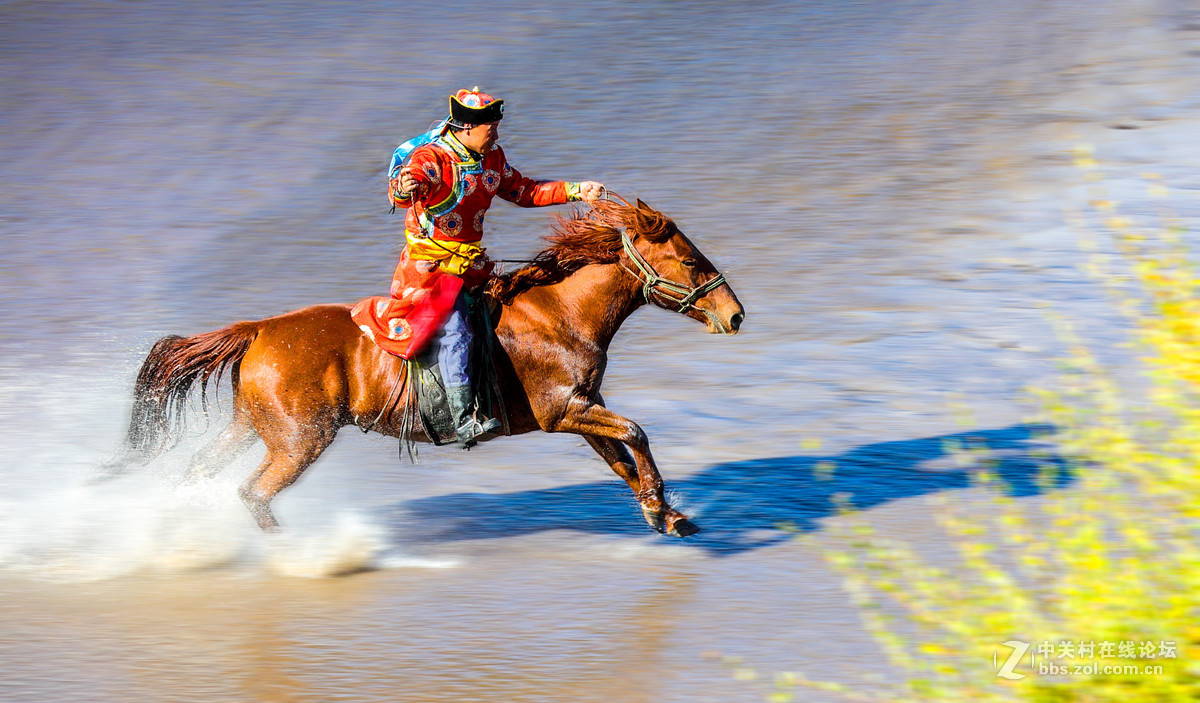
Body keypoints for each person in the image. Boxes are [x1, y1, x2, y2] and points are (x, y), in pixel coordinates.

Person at [351, 87, 604, 448]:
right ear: (467, 127)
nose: (497, 135)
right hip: (431, 271)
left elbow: (525, 192)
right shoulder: (431, 158)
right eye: (492, 128)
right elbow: (405, 190)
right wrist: (406, 186)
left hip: (473, 267)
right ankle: (464, 418)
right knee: (456, 331)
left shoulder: (493, 159)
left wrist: (578, 190)